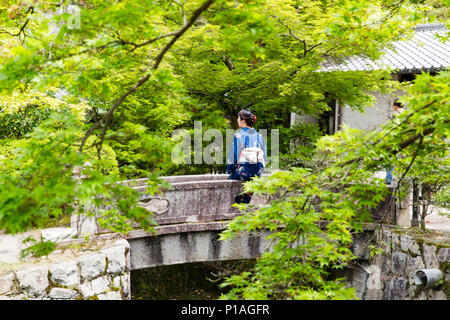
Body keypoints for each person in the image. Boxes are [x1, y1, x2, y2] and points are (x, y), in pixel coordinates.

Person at [226, 109, 267, 204]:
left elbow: (233, 157)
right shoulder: (259, 136)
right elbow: (264, 157)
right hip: (257, 172)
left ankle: (242, 200)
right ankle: (248, 195)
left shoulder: (238, 135)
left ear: (243, 120)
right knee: (251, 175)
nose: (237, 120)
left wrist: (230, 170)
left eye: (238, 118)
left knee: (231, 177)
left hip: (243, 171)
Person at [385, 99, 405, 184]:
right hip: (406, 139)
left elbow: (393, 128)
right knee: (404, 160)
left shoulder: (396, 114)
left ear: (396, 105)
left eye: (393, 106)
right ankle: (406, 181)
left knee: (391, 159)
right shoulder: (407, 113)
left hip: (396, 140)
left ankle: (388, 179)